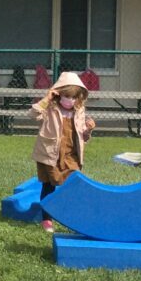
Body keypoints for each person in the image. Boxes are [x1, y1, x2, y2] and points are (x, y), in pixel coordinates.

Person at [30, 72, 96, 233]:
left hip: (71, 154)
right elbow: (33, 114)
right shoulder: (50, 108)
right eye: (67, 96)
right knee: (48, 185)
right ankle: (46, 219)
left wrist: (88, 130)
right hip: (50, 153)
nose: (70, 100)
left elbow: (82, 136)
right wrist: (47, 98)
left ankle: (72, 217)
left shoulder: (79, 110)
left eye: (74, 97)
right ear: (59, 94)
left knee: (74, 184)